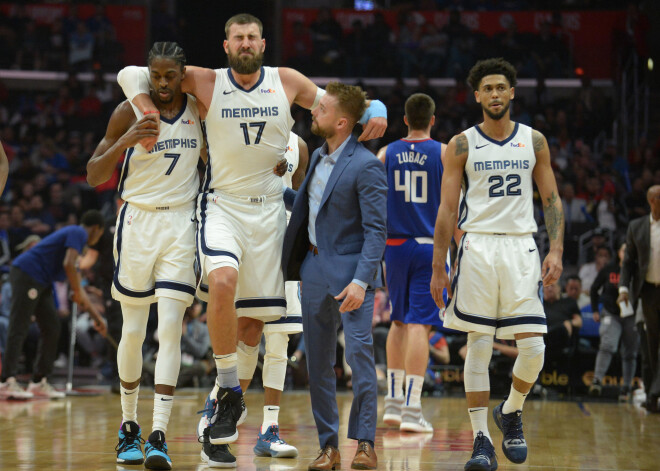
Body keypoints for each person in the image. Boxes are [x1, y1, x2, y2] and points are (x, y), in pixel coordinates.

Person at [116, 13, 386, 468]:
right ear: (226, 46)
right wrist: (145, 106)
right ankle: (231, 391)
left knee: (254, 326)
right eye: (237, 38)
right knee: (222, 281)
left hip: (270, 211)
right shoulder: (204, 80)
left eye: (252, 37)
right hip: (223, 204)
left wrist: (374, 107)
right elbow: (130, 73)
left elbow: (337, 102)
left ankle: (224, 405)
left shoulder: (288, 81)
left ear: (263, 42)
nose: (245, 43)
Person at [430, 58, 564, 470]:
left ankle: (511, 409)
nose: (493, 94)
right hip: (478, 249)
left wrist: (556, 249)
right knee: (479, 344)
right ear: (477, 96)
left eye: (500, 87)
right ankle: (482, 440)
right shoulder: (461, 144)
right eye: (486, 88)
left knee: (535, 346)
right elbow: (447, 209)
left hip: (522, 247)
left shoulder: (534, 141)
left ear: (511, 93)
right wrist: (439, 265)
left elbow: (552, 200)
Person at [87, 42, 203, 470]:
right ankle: (128, 426)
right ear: (148, 74)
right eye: (156, 75)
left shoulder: (199, 111)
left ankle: (158, 434)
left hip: (181, 226)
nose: (163, 83)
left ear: (182, 74)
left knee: (170, 330)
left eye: (171, 76)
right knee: (133, 330)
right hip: (137, 222)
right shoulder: (127, 112)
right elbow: (93, 173)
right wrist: (126, 143)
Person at [282, 82, 387, 471]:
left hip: (351, 278)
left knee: (360, 360)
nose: (314, 111)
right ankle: (328, 446)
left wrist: (361, 281)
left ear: (342, 122)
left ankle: (364, 443)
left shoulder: (367, 165)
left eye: (321, 108)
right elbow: (311, 208)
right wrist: (274, 188)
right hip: (312, 271)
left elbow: (377, 232)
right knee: (318, 365)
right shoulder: (318, 158)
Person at [197, 132, 309, 459]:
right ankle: (221, 408)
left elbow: (299, 205)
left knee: (280, 340)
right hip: (248, 237)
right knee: (248, 332)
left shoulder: (298, 145)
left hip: (283, 246)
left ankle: (269, 429)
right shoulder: (241, 130)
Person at [375, 93, 448, 433]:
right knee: (421, 323)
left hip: (394, 247)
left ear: (404, 119)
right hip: (428, 246)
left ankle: (391, 403)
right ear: (433, 120)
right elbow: (454, 208)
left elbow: (372, 201)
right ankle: (411, 408)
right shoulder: (445, 153)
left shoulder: (385, 153)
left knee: (398, 322)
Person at [0, 210, 106, 400]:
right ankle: (6, 381)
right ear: (96, 229)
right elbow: (68, 265)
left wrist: (98, 320)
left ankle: (39, 381)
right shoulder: (78, 232)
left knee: (52, 327)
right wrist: (75, 287)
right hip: (27, 273)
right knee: (19, 326)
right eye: (99, 234)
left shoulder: (75, 244)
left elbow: (78, 291)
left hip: (42, 281)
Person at [618, 185, 660, 413]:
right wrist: (624, 288)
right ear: (652, 201)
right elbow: (628, 263)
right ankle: (653, 393)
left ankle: (654, 392)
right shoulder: (637, 227)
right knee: (651, 346)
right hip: (648, 292)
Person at [589, 243, 639, 401]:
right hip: (611, 313)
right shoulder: (609, 269)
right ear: (619, 253)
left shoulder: (637, 271)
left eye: (629, 251)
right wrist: (595, 310)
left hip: (631, 315)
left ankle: (627, 387)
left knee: (630, 353)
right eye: (624, 250)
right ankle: (597, 381)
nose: (626, 253)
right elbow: (593, 289)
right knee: (607, 345)